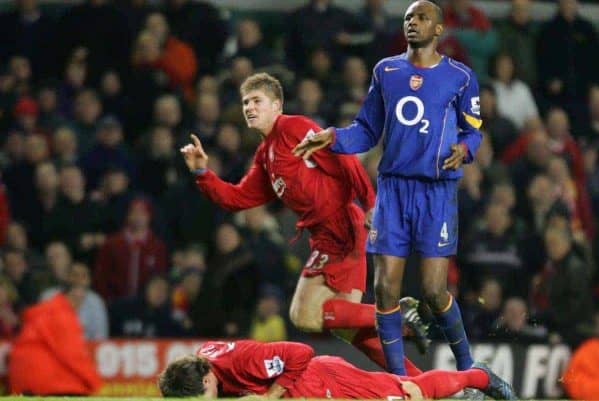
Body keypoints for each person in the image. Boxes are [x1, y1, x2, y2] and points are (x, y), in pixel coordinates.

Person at [180, 72, 429, 372]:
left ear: (276, 106)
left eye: (257, 101)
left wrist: (372, 203)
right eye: (246, 102)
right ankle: (417, 383)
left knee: (303, 316)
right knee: (347, 326)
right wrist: (202, 173)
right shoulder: (265, 155)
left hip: (341, 229)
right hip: (327, 233)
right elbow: (237, 198)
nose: (249, 108)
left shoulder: (293, 127)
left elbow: (344, 157)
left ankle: (397, 315)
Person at [294, 0, 481, 377]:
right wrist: (332, 137)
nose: (413, 22)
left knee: (433, 290)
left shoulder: (460, 77)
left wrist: (465, 149)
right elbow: (367, 129)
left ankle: (470, 371)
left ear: (439, 29)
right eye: (409, 17)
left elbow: (473, 129)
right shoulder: (386, 70)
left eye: (422, 17)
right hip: (393, 190)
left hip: (436, 192)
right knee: (384, 290)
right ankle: (399, 383)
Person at [158, 340, 517, 400]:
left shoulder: (243, 363)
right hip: (315, 385)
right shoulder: (200, 364)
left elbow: (299, 351)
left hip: (325, 384)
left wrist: (268, 396)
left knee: (411, 392)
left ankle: (480, 376)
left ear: (208, 379)